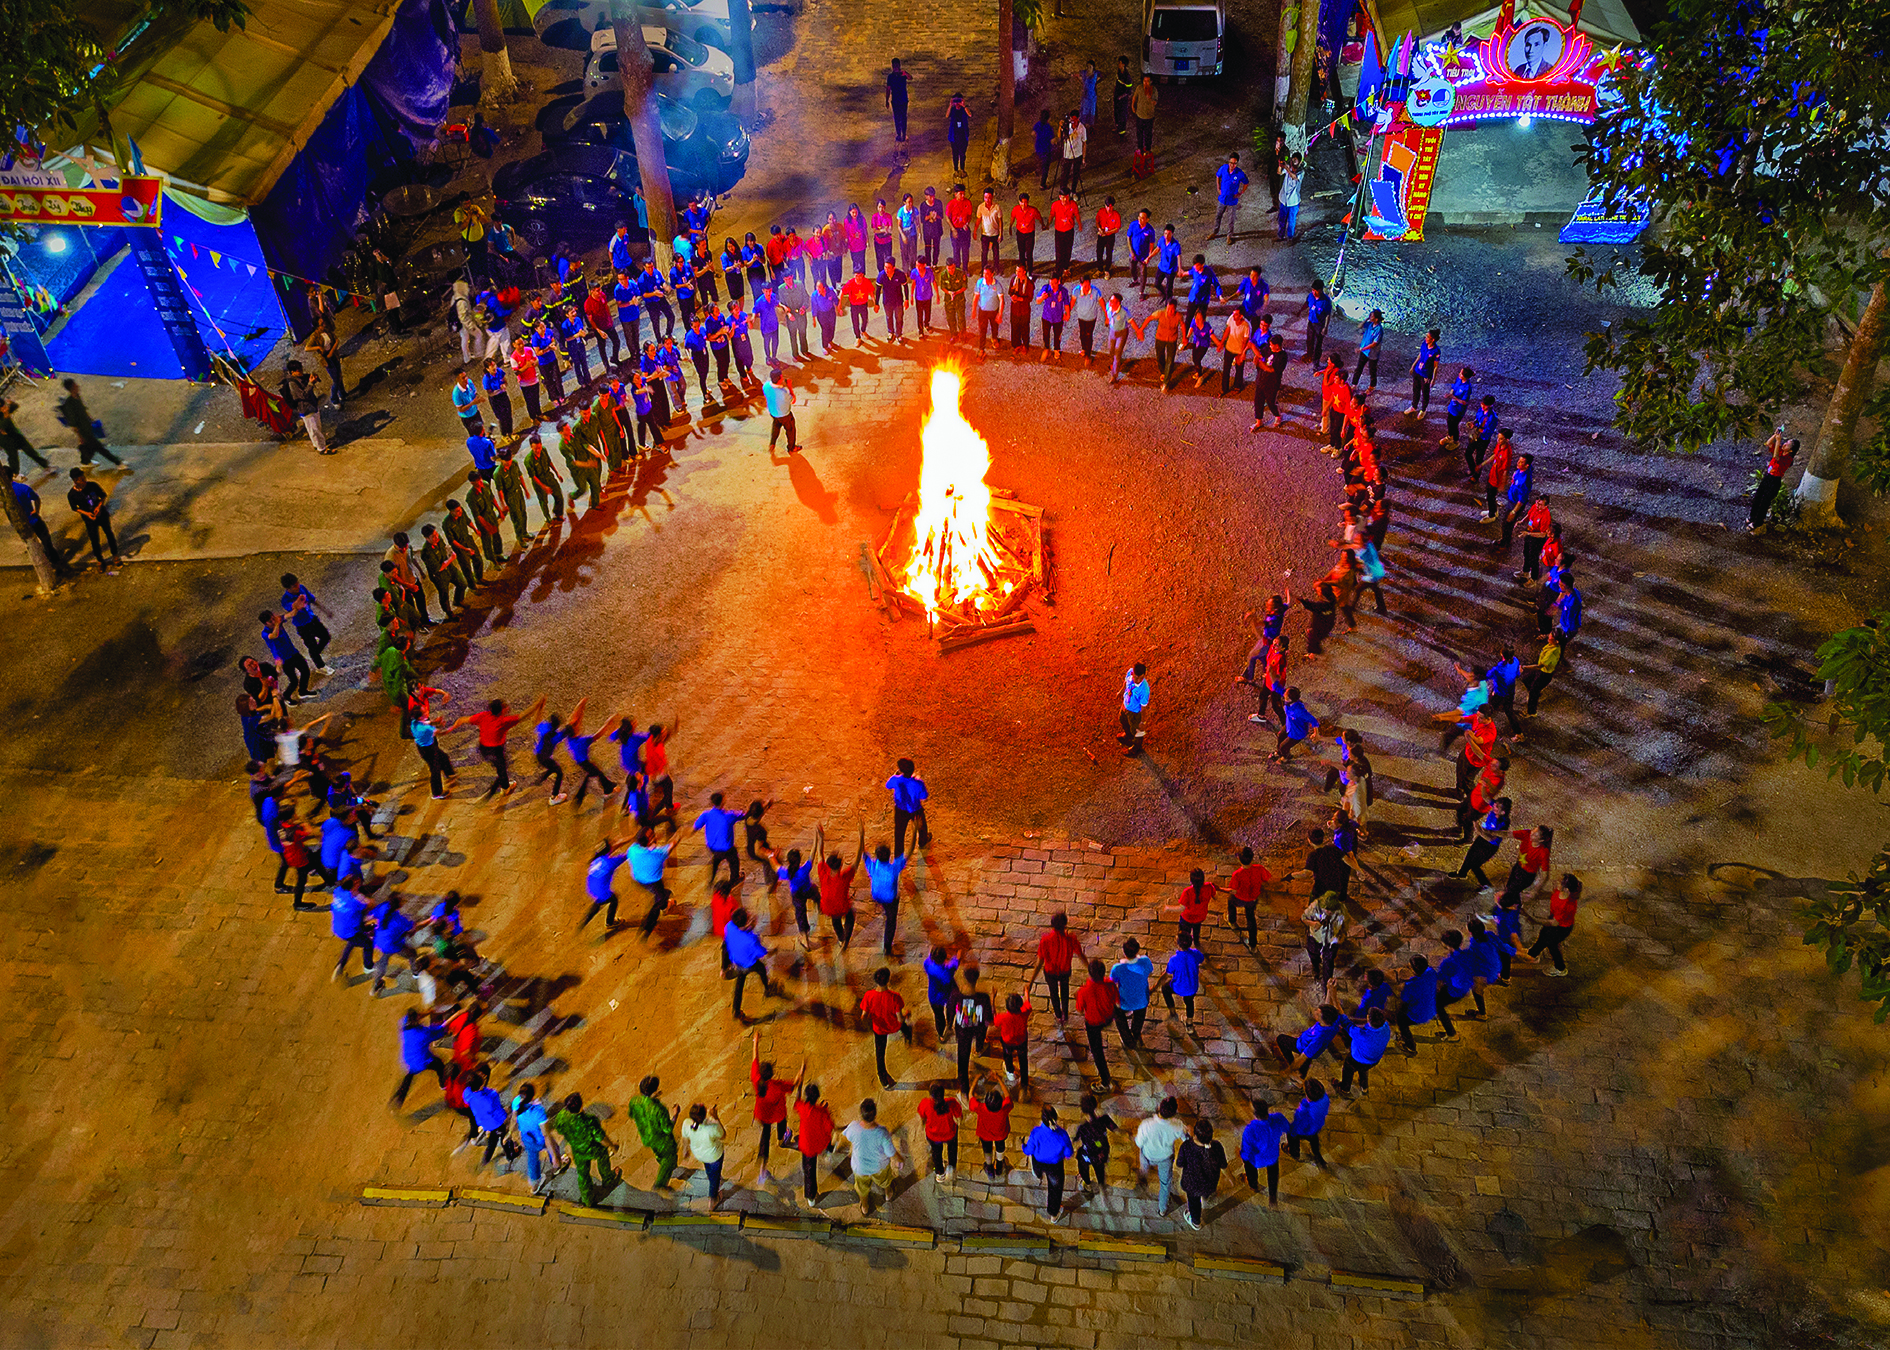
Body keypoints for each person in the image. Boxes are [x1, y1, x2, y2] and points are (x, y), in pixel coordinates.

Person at [551, 1093, 620, 1207]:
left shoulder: (561, 1117)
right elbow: (600, 1137)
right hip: (593, 1149)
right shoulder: (589, 1121)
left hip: (578, 1151)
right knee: (603, 1159)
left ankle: (587, 1199)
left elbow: (559, 1130)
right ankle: (608, 1179)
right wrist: (611, 1146)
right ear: (581, 1106)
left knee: (583, 1174)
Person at [843, 1099, 903, 1215]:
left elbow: (847, 1136)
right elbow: (891, 1152)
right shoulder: (882, 1132)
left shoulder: (853, 1127)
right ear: (875, 1115)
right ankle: (888, 1194)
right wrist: (899, 1159)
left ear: (861, 1113)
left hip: (860, 1168)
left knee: (862, 1189)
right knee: (885, 1181)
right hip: (879, 1166)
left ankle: (865, 1207)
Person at [749, 1034, 794, 1186]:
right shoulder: (777, 1085)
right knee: (782, 1127)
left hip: (762, 1115)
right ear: (772, 1074)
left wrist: (756, 1042)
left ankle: (762, 1171)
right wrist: (800, 1074)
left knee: (764, 1141)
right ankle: (782, 1140)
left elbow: (755, 1059)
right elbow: (792, 1086)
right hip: (779, 1114)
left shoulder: (756, 1079)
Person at [816, 822, 865, 948]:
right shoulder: (845, 876)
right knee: (850, 917)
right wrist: (861, 836)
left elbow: (819, 855)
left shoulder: (823, 872)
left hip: (827, 906)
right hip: (841, 906)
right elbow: (858, 859)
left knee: (835, 920)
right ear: (840, 865)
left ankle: (841, 938)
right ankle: (846, 938)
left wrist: (821, 838)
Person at [860, 966, 910, 1089]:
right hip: (894, 1026)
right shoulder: (895, 997)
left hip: (879, 1029)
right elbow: (900, 1019)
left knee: (880, 1055)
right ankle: (908, 1037)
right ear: (888, 980)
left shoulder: (869, 995)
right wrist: (906, 1014)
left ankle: (884, 1081)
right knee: (905, 1026)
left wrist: (873, 1017)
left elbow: (863, 1016)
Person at [1395, 953, 1455, 1053]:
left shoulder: (1411, 985)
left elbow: (1404, 999)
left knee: (1400, 1018)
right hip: (1431, 1010)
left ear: (1414, 970)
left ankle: (1410, 1046)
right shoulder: (1431, 972)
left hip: (1419, 1016)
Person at [1134, 1097, 1186, 1213]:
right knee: (1165, 1183)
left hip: (1148, 1155)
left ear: (1158, 1108)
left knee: (1142, 1154)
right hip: (1165, 1158)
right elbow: (1185, 1138)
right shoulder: (1177, 1125)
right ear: (1174, 1113)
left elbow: (1139, 1143)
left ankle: (1143, 1173)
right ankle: (1163, 1209)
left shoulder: (1146, 1124)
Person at [791, 1075, 836, 1206]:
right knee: (811, 1168)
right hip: (818, 1143)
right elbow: (829, 1128)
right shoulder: (822, 1112)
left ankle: (811, 1197)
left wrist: (799, 1085)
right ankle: (829, 1150)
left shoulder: (803, 1108)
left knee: (809, 1171)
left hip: (806, 1145)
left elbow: (796, 1102)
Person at [1075, 959, 1120, 1091]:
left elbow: (1079, 1009)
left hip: (1093, 1022)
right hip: (1107, 1018)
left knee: (1097, 1052)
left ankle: (1105, 1081)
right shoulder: (1110, 984)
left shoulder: (1084, 991)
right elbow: (1116, 1001)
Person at [63, 467, 120, 570]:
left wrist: (99, 507)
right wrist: (87, 514)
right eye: (81, 479)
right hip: (89, 520)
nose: (84, 481)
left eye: (84, 478)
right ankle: (100, 560)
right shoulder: (72, 494)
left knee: (109, 534)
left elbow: (102, 496)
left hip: (102, 515)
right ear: (75, 481)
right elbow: (75, 508)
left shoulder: (92, 485)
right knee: (94, 540)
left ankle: (115, 555)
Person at [1023, 1107, 1074, 1222]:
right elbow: (1068, 1153)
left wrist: (1023, 1146)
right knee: (1055, 1190)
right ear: (1056, 1118)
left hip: (1039, 1162)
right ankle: (1053, 1214)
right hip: (1054, 1166)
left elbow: (1029, 1150)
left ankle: (1037, 1174)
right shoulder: (1062, 1135)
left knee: (1036, 1164)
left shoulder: (1036, 1132)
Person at [1031, 911, 1083, 1021]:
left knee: (1053, 993)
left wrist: (1031, 981)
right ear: (1065, 924)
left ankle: (1058, 1015)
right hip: (1065, 970)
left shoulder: (1045, 940)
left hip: (1050, 972)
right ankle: (1065, 1013)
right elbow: (1080, 955)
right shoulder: (1071, 939)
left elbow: (1039, 962)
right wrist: (1089, 968)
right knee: (1065, 992)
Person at [1176, 1120, 1227, 1230]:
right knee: (1205, 1193)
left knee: (1194, 1204)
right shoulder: (1217, 1146)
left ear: (1195, 1135)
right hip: (1210, 1184)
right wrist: (1231, 1179)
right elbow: (1223, 1165)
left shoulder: (1186, 1146)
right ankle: (1205, 1198)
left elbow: (1179, 1164)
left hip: (1192, 1185)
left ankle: (1196, 1223)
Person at [949, 965, 994, 1091]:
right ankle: (979, 1048)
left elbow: (950, 1012)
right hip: (978, 1029)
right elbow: (988, 1020)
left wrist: (948, 1026)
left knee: (962, 1059)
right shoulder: (983, 998)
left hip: (963, 1032)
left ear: (964, 978)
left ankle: (964, 1087)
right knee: (980, 1035)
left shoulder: (956, 996)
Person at [1239, 1096, 1290, 1204]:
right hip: (1273, 1155)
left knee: (1249, 1169)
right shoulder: (1278, 1118)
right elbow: (1288, 1128)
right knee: (1273, 1175)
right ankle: (1272, 1196)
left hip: (1256, 1160)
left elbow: (1246, 1153)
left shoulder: (1250, 1130)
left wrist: (1242, 1155)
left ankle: (1253, 1185)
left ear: (1255, 1114)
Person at [1528, 873, 1582, 975]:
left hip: (1560, 928)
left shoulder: (1567, 905)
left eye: (1559, 882)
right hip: (1554, 920)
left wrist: (1533, 919)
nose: (1556, 882)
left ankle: (1560, 968)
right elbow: (1552, 896)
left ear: (1566, 889)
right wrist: (1535, 894)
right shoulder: (1560, 892)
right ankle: (1532, 954)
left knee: (1552, 946)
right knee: (1543, 936)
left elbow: (1554, 923)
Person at [632, 827, 681, 936]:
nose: (655, 835)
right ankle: (647, 927)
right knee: (660, 900)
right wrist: (678, 837)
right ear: (649, 841)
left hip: (639, 880)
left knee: (662, 894)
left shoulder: (633, 849)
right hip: (654, 882)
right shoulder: (658, 854)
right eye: (652, 835)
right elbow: (671, 846)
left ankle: (665, 904)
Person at [678, 1102, 726, 1208]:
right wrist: (715, 1117)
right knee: (715, 1178)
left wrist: (685, 1150)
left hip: (699, 1154)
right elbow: (723, 1135)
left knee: (709, 1169)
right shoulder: (711, 1126)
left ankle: (711, 1177)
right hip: (714, 1156)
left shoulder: (687, 1123)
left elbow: (685, 1137)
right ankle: (713, 1200)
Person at [692, 790, 744, 886]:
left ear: (712, 803)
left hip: (712, 847)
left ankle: (711, 878)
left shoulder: (706, 814)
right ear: (723, 802)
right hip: (727, 849)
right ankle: (734, 878)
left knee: (715, 861)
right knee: (734, 862)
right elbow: (743, 815)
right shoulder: (729, 816)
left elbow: (696, 827)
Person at [1108, 939, 1154, 1048]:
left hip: (1124, 1001)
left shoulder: (1118, 968)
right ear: (1138, 950)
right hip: (1142, 999)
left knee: (1118, 1015)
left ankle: (1128, 1040)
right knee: (1139, 1017)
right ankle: (1136, 1033)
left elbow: (1112, 983)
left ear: (1124, 952)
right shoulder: (1145, 961)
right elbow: (1150, 972)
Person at [1750, 430, 1798, 530]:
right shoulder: (1780, 449)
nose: (1784, 444)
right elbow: (1768, 443)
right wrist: (1775, 435)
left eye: (1788, 444)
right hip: (1768, 476)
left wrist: (1778, 441)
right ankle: (1752, 517)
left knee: (1764, 501)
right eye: (1786, 442)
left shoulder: (1788, 459)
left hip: (1774, 480)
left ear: (1791, 450)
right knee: (1758, 496)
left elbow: (1776, 457)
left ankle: (1757, 522)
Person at [917, 1082, 964, 1181]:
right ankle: (951, 1167)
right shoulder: (951, 1102)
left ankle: (940, 1173)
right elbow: (959, 1116)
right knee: (952, 1150)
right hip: (950, 1134)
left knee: (936, 1153)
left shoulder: (925, 1103)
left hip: (933, 1136)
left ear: (931, 1096)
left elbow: (922, 1117)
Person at [1227, 847, 1271, 949]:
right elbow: (1267, 878)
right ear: (1252, 858)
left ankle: (1232, 921)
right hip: (1252, 899)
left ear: (1239, 859)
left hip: (1239, 898)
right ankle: (1253, 945)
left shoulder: (1237, 874)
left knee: (1230, 902)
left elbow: (1233, 889)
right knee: (1251, 919)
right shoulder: (1259, 869)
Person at [972, 1078, 1014, 1178]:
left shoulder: (980, 1108)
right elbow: (1007, 1095)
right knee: (1000, 1147)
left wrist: (974, 1081)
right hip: (1001, 1134)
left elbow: (970, 1097)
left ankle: (989, 1167)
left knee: (987, 1149)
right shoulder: (1005, 1107)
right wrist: (999, 1079)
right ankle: (999, 1166)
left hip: (985, 1135)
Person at [1162, 931, 1205, 1028]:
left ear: (1178, 945)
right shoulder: (1196, 954)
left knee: (1165, 989)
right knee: (1189, 1002)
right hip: (1192, 987)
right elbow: (1202, 960)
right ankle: (1189, 1023)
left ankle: (1172, 1012)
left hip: (1178, 986)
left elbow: (1169, 971)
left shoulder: (1174, 959)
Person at [991, 990, 1031, 1089]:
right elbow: (1027, 1003)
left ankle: (1010, 1072)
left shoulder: (1003, 1017)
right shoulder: (1025, 1012)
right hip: (1021, 1040)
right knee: (1023, 1059)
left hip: (1007, 1042)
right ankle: (1024, 1082)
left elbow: (994, 1019)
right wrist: (1026, 992)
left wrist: (992, 999)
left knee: (1007, 1056)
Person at [1286, 1079, 1329, 1167]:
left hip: (1306, 1129)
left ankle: (1294, 1153)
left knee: (1291, 1135)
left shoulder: (1305, 1111)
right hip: (1317, 1126)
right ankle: (1316, 1154)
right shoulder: (1324, 1098)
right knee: (1314, 1139)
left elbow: (1300, 1126)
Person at [1212, 153, 1249, 244]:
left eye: (1234, 163)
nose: (1232, 165)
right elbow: (1218, 175)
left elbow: (1246, 182)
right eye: (1231, 163)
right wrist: (1218, 187)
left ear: (1237, 163)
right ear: (1228, 162)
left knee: (1231, 220)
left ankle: (1229, 236)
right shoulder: (1224, 168)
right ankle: (1215, 232)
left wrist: (1241, 193)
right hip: (1223, 198)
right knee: (1218, 216)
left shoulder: (1239, 173)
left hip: (1232, 200)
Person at [1119, 662, 1150, 752]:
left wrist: (1142, 721)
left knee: (1137, 731)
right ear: (1133, 673)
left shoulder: (1144, 690)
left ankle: (1136, 747)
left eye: (1141, 678)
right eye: (1136, 677)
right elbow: (1126, 681)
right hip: (1125, 705)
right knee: (1122, 720)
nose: (1138, 680)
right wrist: (1121, 691)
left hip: (1135, 712)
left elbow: (1144, 707)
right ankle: (1128, 735)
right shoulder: (1130, 672)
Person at [1277, 154, 1304, 240]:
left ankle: (1290, 237)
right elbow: (1279, 172)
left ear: (1299, 162)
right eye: (1292, 160)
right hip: (1283, 200)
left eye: (1295, 160)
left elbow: (1294, 177)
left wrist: (1286, 168)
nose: (1293, 162)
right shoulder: (1288, 168)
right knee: (1281, 220)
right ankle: (1280, 236)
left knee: (1291, 221)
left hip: (1293, 202)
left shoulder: (1301, 172)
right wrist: (1280, 165)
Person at [885, 58, 910, 142]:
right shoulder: (891, 77)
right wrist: (887, 100)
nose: (895, 67)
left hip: (902, 100)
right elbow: (888, 89)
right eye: (894, 66)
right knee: (897, 118)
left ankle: (903, 133)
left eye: (896, 66)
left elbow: (910, 78)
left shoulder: (902, 75)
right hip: (896, 100)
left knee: (903, 117)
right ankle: (899, 134)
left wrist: (905, 73)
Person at [946, 94, 972, 174]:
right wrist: (950, 105)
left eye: (958, 101)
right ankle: (956, 170)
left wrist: (964, 106)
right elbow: (947, 115)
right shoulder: (953, 110)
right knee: (955, 154)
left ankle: (962, 169)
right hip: (954, 136)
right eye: (955, 101)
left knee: (962, 153)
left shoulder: (964, 109)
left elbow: (970, 114)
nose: (957, 103)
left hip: (963, 135)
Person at [1131, 75, 1157, 154]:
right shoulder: (1139, 88)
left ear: (1150, 82)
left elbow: (1155, 102)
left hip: (1149, 116)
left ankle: (1148, 148)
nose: (1145, 83)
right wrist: (1133, 106)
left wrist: (1150, 98)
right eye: (1144, 81)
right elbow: (1135, 97)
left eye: (1147, 82)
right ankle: (1140, 147)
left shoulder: (1154, 90)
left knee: (1148, 133)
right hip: (1140, 115)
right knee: (1139, 133)